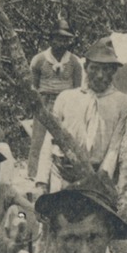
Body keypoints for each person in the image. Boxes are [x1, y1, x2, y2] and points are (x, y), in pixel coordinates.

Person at [37, 37, 127, 191]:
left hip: (98, 177)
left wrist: (100, 181)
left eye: (106, 69)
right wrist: (41, 181)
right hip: (63, 173)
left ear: (114, 70)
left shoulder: (124, 103)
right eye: (94, 68)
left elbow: (115, 148)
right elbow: (50, 140)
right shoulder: (66, 98)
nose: (100, 75)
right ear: (86, 67)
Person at [25, 26, 82, 182]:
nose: (62, 43)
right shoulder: (39, 60)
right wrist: (36, 104)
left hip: (67, 104)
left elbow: (78, 87)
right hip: (44, 102)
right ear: (51, 40)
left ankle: (64, 173)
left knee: (65, 138)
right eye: (58, 39)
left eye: (65, 40)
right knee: (39, 138)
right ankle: (33, 175)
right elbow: (33, 86)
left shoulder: (75, 62)